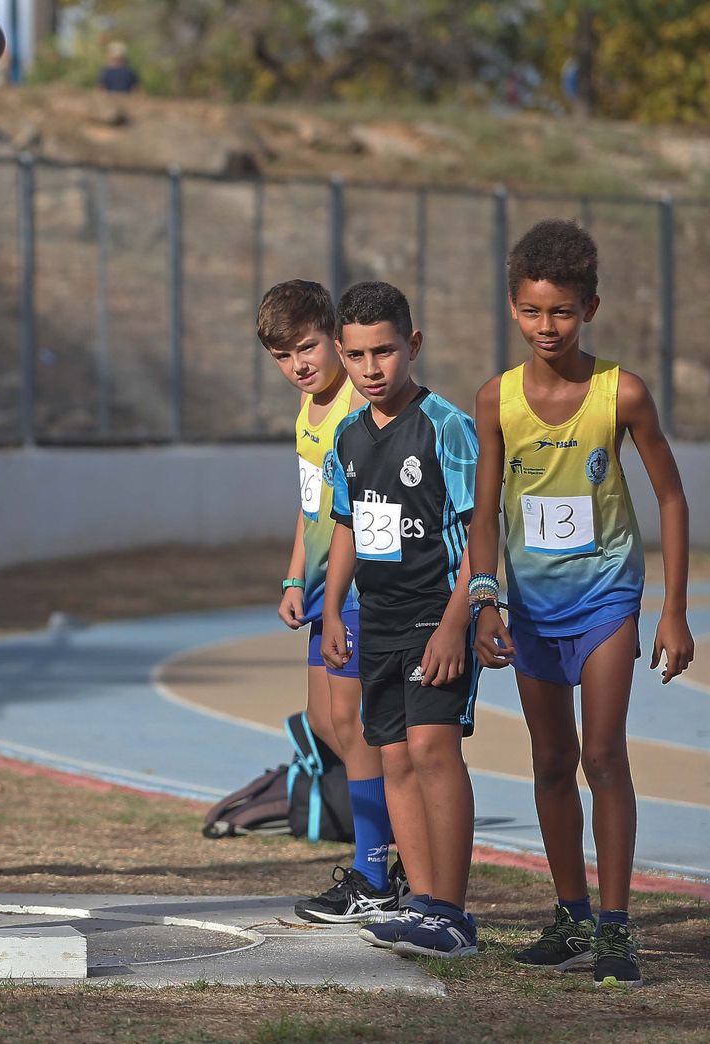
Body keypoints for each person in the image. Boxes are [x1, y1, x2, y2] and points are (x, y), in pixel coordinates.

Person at [469, 220, 693, 987]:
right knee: (551, 760)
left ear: (589, 307)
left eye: (561, 312)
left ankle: (618, 929)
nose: (546, 327)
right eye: (532, 311)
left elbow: (670, 496)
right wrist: (484, 599)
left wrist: (672, 610)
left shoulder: (621, 392)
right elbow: (485, 510)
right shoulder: (495, 398)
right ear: (512, 308)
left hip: (606, 598)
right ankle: (569, 915)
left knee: (602, 755)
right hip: (529, 606)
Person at [321, 281, 482, 959]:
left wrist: (456, 623)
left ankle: (451, 909)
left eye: (383, 351)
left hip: (435, 615)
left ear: (411, 345)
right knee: (392, 758)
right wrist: (332, 609)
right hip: (377, 620)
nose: (370, 368)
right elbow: (348, 528)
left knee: (432, 750)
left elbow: (481, 532)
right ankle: (420, 902)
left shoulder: (447, 426)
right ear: (341, 353)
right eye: (356, 355)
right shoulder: (348, 436)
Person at [256, 280, 399, 924]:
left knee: (357, 724)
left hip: (360, 589)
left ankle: (378, 869)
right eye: (283, 357)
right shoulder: (306, 414)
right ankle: (384, 854)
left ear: (337, 340)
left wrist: (343, 594)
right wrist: (295, 581)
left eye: (309, 347)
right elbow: (309, 505)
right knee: (326, 723)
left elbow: (360, 511)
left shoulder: (353, 403)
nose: (299, 366)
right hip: (319, 592)